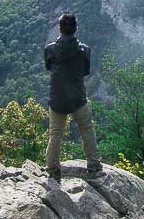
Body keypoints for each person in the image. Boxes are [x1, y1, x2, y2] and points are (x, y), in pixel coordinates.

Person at [44, 13, 103, 182]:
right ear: (76, 29)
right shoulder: (85, 50)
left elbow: (49, 67)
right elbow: (85, 71)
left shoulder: (50, 49)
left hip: (57, 99)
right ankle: (94, 165)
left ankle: (53, 169)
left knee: (55, 133)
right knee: (86, 129)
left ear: (59, 28)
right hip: (78, 97)